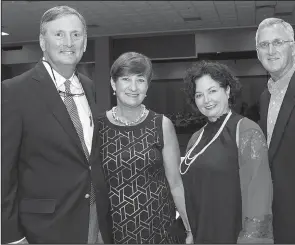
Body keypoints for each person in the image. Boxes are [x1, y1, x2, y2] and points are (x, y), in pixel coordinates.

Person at [1, 6, 112, 244]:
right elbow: (3, 171)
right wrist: (11, 236)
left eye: (76, 34)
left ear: (84, 42)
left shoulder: (88, 85)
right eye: (58, 34)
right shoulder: (13, 91)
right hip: (43, 229)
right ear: (43, 41)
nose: (68, 42)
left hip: (94, 220)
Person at [98, 52, 192, 244]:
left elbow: (175, 183)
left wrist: (190, 227)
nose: (133, 87)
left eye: (140, 80)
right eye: (126, 79)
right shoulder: (97, 127)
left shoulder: (162, 124)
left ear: (147, 86)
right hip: (112, 232)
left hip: (159, 230)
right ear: (113, 84)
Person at [181, 60, 273, 243]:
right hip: (202, 234)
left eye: (212, 91)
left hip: (231, 235)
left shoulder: (246, 130)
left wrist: (251, 239)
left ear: (228, 90)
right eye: (199, 94)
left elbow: (258, 194)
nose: (206, 100)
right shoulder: (196, 138)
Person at [256, 17, 295, 244]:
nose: (271, 50)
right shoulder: (266, 97)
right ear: (257, 52)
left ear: (293, 47)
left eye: (278, 42)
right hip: (277, 225)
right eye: (264, 45)